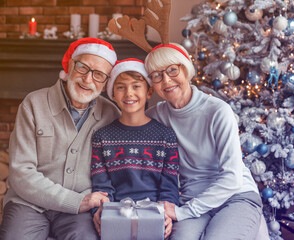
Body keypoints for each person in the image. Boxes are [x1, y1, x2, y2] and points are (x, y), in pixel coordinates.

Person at [0, 38, 121, 240]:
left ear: (106, 82)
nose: (88, 79)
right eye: (82, 68)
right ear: (69, 66)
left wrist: (95, 202)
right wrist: (74, 201)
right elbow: (21, 173)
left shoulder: (111, 114)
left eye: (98, 74)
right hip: (29, 204)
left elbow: (116, 172)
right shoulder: (33, 104)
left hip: (81, 209)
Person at [144, 43, 263, 240]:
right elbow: (127, 129)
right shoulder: (155, 115)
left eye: (173, 70)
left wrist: (182, 212)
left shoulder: (218, 111)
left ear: (187, 70)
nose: (166, 80)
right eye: (157, 75)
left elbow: (232, 178)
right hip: (191, 199)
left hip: (236, 196)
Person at [90, 58, 179, 239]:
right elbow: (102, 185)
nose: (129, 93)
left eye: (136, 86)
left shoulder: (165, 137)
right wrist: (100, 211)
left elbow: (169, 186)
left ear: (149, 92)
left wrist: (167, 213)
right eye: (121, 87)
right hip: (115, 213)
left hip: (154, 213)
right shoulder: (102, 137)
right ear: (113, 94)